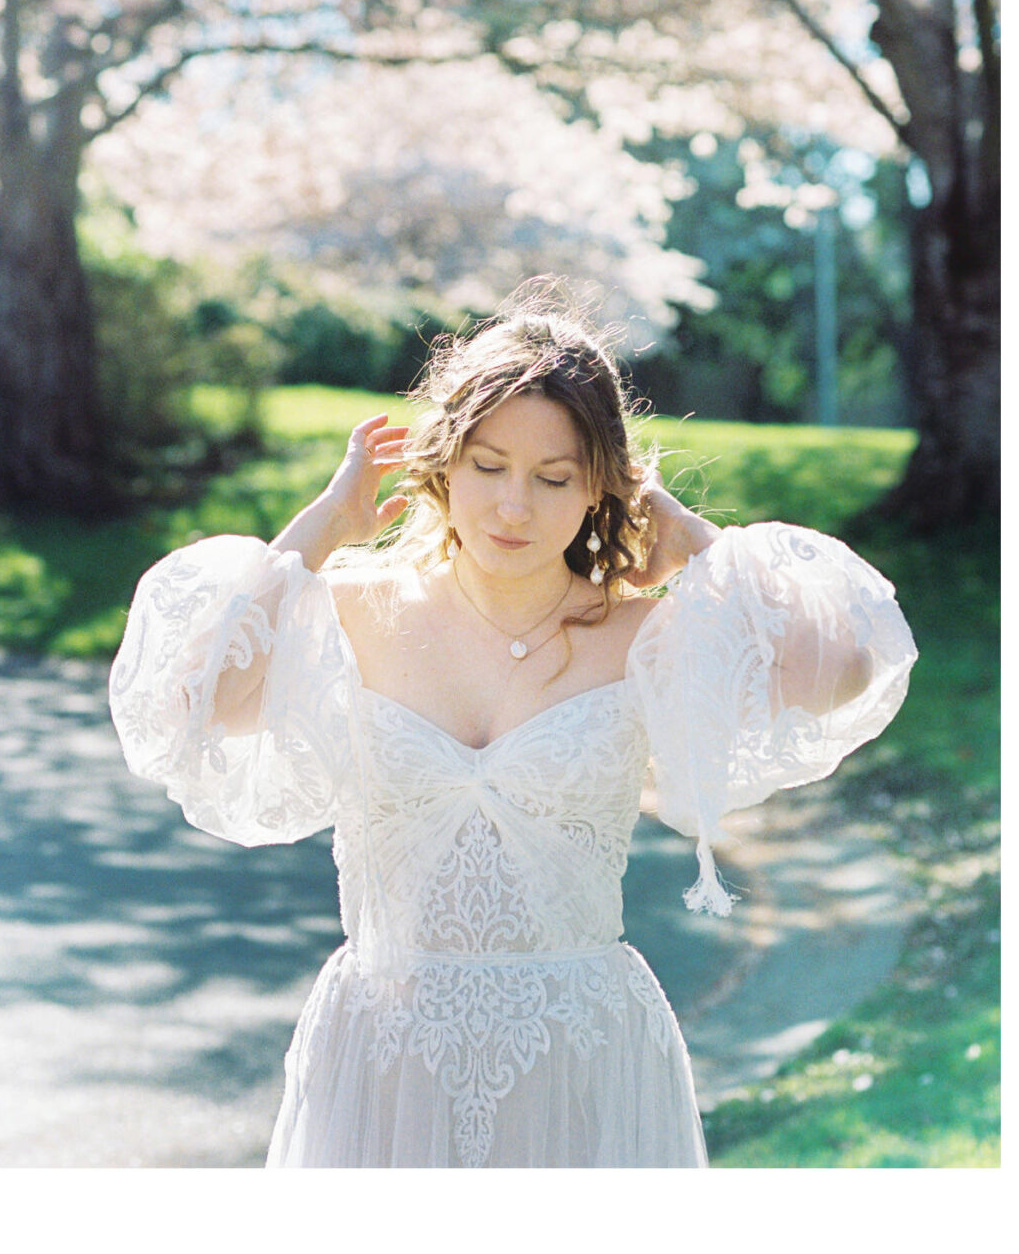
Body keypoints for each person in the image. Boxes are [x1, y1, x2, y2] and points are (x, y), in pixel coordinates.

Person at [108, 284, 917, 1168]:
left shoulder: (640, 632)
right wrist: (322, 527)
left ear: (602, 485)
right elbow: (189, 705)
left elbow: (838, 671)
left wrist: (684, 535)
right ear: (443, 462)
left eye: (553, 477)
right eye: (488, 467)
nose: (513, 509)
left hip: (581, 1055)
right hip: (384, 1054)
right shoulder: (350, 610)